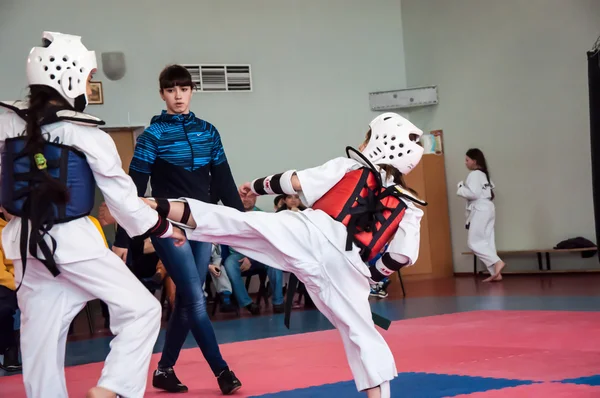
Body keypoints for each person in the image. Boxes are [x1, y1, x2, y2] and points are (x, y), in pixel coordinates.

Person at [145, 112, 427, 398]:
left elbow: (294, 182)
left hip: (313, 233)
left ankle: (156, 209)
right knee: (364, 336)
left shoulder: (351, 167)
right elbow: (402, 255)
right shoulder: (410, 206)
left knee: (239, 224)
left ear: (378, 140)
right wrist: (373, 274)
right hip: (350, 268)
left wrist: (256, 185)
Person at [0, 31, 185, 398]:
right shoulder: (86, 133)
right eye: (87, 78)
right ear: (69, 76)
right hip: (74, 243)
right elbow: (125, 203)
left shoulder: (5, 122)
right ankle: (112, 388)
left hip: (23, 245)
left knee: (41, 340)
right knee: (142, 311)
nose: (87, 85)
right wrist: (164, 229)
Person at [111, 64, 243, 394]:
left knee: (187, 299)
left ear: (192, 91)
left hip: (202, 223)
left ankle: (164, 370)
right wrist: (122, 238)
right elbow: (133, 189)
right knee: (195, 298)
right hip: (168, 226)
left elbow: (224, 182)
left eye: (183, 89)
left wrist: (244, 225)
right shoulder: (151, 137)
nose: (178, 96)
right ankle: (222, 371)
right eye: (171, 90)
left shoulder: (209, 132)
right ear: (162, 94)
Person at [457, 148, 506, 282]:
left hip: (480, 208)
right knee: (487, 241)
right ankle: (496, 273)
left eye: (467, 160)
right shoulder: (484, 175)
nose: (465, 163)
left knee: (473, 242)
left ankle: (497, 262)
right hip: (488, 208)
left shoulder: (474, 174)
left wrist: (461, 187)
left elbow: (473, 193)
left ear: (474, 161)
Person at [0, 211, 21, 373]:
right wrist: (18, 284)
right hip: (8, 282)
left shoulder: (27, 226)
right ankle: (9, 350)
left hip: (23, 280)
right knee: (4, 308)